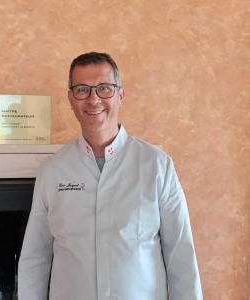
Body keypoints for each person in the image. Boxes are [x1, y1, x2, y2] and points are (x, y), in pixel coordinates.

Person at [18, 52, 203, 300]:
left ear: (120, 95)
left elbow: (181, 257)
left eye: (104, 88)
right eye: (82, 89)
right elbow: (35, 258)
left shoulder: (156, 166)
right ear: (71, 99)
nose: (94, 99)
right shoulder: (53, 171)